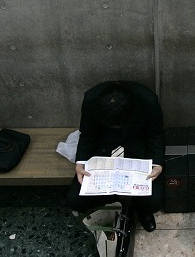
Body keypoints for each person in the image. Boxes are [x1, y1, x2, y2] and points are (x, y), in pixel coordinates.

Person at [66, 81, 165, 232]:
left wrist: (157, 164)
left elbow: (156, 134)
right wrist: (80, 162)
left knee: (154, 201)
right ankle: (113, 203)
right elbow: (88, 134)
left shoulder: (147, 100)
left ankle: (140, 208)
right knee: (75, 199)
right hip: (104, 148)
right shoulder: (91, 99)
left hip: (138, 146)